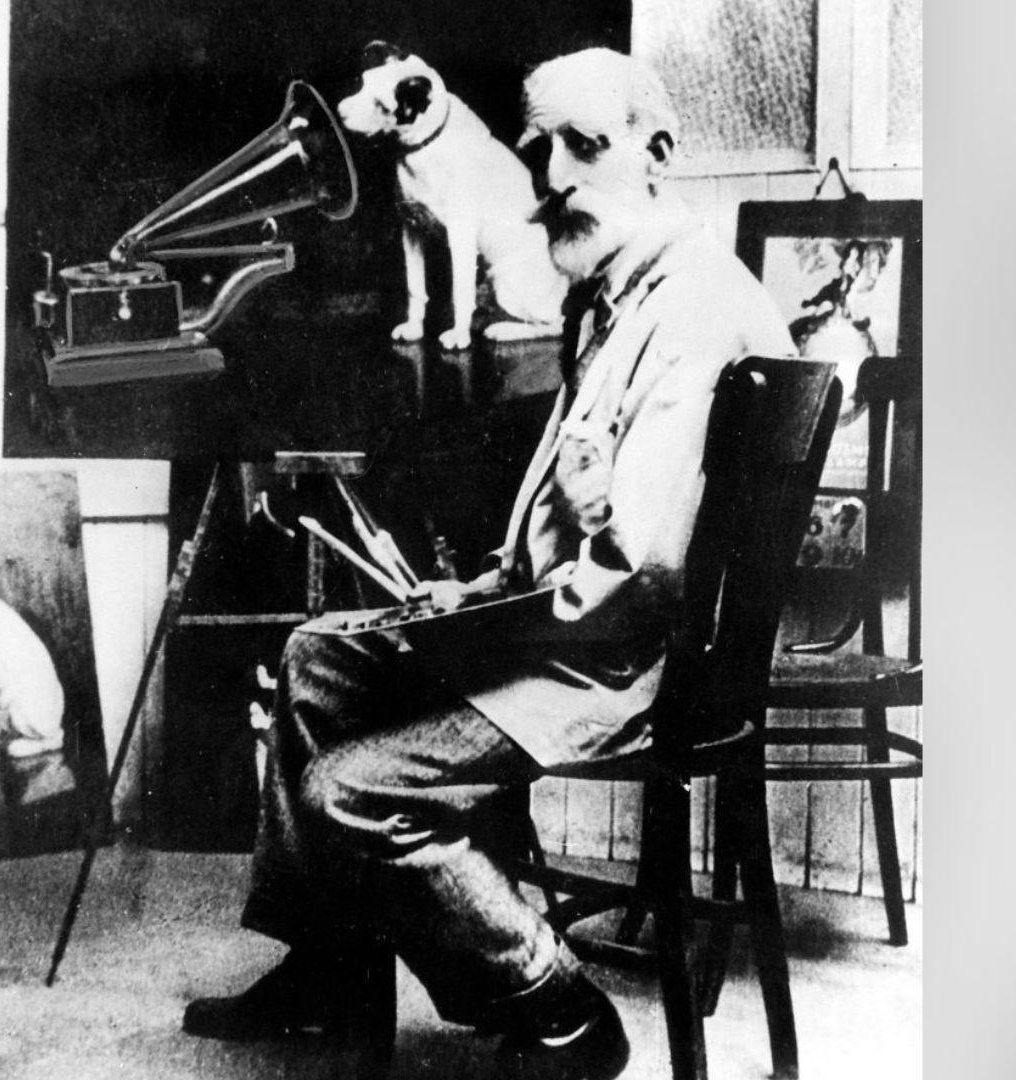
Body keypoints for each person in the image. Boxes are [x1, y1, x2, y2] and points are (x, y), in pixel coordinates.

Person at [181, 48, 797, 1080]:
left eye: (583, 147)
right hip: (578, 631)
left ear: (659, 153)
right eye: (537, 147)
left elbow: (637, 568)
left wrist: (485, 620)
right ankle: (332, 960)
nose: (551, 175)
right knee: (318, 654)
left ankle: (557, 1005)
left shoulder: (692, 308)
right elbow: (581, 521)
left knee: (347, 789)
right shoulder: (618, 289)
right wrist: (477, 590)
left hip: (618, 663)